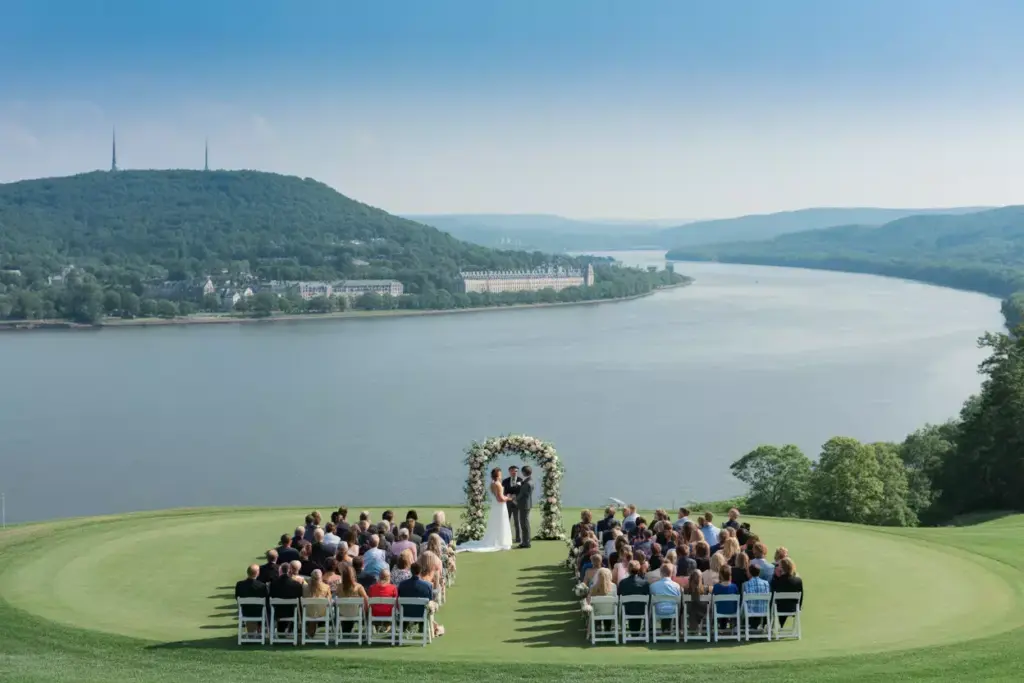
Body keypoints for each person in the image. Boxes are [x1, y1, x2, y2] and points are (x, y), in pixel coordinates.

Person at [458, 467, 514, 552]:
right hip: (500, 505)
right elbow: (500, 499)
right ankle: (501, 541)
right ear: (498, 475)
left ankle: (498, 539)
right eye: (500, 473)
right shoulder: (498, 484)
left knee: (497, 522)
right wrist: (509, 498)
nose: (501, 475)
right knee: (501, 521)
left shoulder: (492, 483)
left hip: (496, 505)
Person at [269, 561, 304, 633]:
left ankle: (281, 631)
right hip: (292, 612)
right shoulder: (297, 585)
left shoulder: (273, 584)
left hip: (277, 612)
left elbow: (271, 597)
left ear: (280, 570)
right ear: (290, 571)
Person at [617, 560, 650, 634]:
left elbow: (619, 596)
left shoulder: (623, 583)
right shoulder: (645, 583)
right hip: (641, 610)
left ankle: (634, 632)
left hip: (627, 610)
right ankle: (635, 632)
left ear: (628, 569)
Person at [235, 564, 268, 635]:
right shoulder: (262, 586)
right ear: (258, 573)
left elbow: (237, 598)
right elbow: (266, 600)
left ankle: (252, 631)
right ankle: (259, 630)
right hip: (259, 613)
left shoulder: (239, 585)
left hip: (245, 612)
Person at [770, 557, 804, 626]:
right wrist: (799, 607)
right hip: (793, 608)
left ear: (782, 568)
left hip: (778, 608)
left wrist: (776, 576)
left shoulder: (777, 581)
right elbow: (801, 596)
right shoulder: (798, 581)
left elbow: (772, 594)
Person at [336, 564, 369, 633]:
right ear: (353, 575)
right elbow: (366, 601)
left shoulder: (339, 587)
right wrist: (366, 612)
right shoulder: (359, 587)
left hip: (343, 613)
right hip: (356, 613)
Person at [650, 563, 682, 632]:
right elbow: (679, 601)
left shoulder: (653, 586)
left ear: (661, 573)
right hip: (673, 610)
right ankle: (667, 630)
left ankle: (652, 629)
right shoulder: (676, 586)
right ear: (671, 573)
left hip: (658, 610)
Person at [302, 568, 332, 638]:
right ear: (321, 577)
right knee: (317, 608)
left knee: (313, 608)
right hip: (322, 613)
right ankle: (311, 632)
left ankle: (309, 633)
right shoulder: (326, 587)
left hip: (307, 612)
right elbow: (329, 601)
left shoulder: (304, 587)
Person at [742, 564, 771, 631]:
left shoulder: (746, 584)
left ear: (749, 572)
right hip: (763, 610)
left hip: (750, 611)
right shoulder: (766, 583)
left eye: (747, 571)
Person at [712, 564, 740, 631]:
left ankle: (722, 626)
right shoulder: (734, 586)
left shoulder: (716, 587)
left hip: (719, 610)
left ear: (720, 575)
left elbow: (713, 600)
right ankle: (733, 625)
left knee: (720, 605)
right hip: (732, 610)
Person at [502, 465, 523, 544]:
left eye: (516, 471)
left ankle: (518, 538)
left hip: (517, 503)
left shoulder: (521, 480)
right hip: (507, 503)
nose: (514, 472)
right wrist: (507, 495)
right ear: (509, 471)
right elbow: (503, 491)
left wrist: (515, 497)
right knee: (506, 521)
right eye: (513, 471)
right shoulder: (505, 481)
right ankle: (505, 538)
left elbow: (522, 491)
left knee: (517, 521)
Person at [516, 465, 535, 548]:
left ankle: (526, 542)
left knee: (524, 524)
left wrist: (513, 499)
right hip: (526, 505)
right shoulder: (529, 481)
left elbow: (522, 494)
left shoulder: (527, 483)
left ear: (524, 472)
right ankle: (526, 541)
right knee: (525, 523)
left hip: (524, 505)